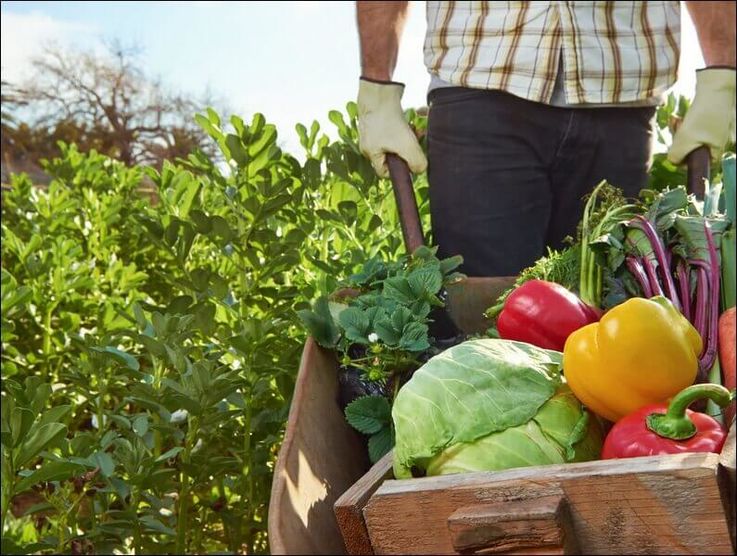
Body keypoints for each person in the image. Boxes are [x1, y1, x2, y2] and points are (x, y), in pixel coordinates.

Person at [356, 1, 736, 277]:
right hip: (481, 86)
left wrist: (722, 73)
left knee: (609, 309)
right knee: (480, 321)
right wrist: (377, 86)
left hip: (619, 90)